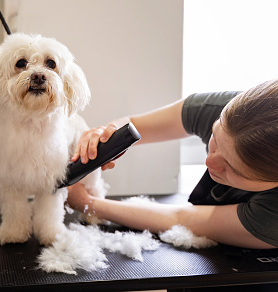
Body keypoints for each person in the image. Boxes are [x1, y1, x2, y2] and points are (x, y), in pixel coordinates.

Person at [67, 79, 278, 291]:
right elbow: (133, 125)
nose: (209, 162)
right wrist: (106, 135)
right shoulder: (238, 115)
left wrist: (86, 202)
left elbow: (179, 218)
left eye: (232, 168)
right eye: (214, 137)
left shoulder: (273, 218)